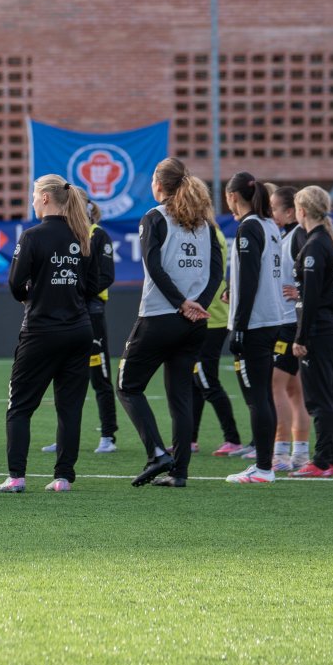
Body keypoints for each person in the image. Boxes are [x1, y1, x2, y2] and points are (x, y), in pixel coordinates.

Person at [117, 159, 221, 489]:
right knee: (181, 398)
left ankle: (157, 454)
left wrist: (180, 303)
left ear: (159, 185)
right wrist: (198, 305)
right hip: (193, 323)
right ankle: (179, 472)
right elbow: (217, 271)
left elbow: (153, 266)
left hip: (159, 318)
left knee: (127, 386)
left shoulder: (155, 217)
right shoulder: (204, 223)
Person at [0, 175, 92, 494]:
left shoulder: (32, 236)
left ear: (46, 198)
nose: (32, 201)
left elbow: (15, 282)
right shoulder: (82, 234)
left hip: (41, 331)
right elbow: (93, 284)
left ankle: (16, 477)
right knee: (70, 408)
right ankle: (63, 477)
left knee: (20, 406)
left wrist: (32, 296)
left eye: (34, 196)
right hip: (79, 330)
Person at [222, 172, 288, 484]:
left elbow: (249, 279)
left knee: (257, 397)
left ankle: (262, 468)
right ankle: (265, 465)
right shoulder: (269, 224)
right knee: (263, 395)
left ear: (232, 196)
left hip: (256, 324)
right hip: (271, 319)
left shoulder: (249, 227)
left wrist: (239, 326)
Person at [46, 200, 118, 455]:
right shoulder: (65, 235)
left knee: (100, 376)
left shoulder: (98, 235)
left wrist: (78, 293)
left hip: (91, 311)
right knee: (64, 376)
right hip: (66, 312)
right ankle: (64, 437)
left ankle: (108, 435)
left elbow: (106, 276)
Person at [290, 186, 333, 478]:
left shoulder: (315, 244)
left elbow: (311, 297)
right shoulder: (327, 240)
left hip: (319, 331)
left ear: (301, 211)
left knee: (319, 399)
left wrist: (300, 338)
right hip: (331, 328)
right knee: (332, 396)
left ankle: (322, 461)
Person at [195, 220, 246, 459]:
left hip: (211, 317)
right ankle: (189, 439)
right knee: (196, 380)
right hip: (209, 315)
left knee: (206, 379)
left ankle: (232, 438)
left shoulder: (208, 233)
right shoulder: (210, 232)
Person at [270, 185, 311, 472]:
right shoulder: (286, 235)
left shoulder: (299, 235)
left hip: (290, 323)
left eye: (274, 208)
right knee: (295, 390)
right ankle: (300, 454)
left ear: (290, 212)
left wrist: (301, 291)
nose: (271, 213)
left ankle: (281, 453)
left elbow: (319, 272)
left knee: (276, 386)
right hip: (288, 320)